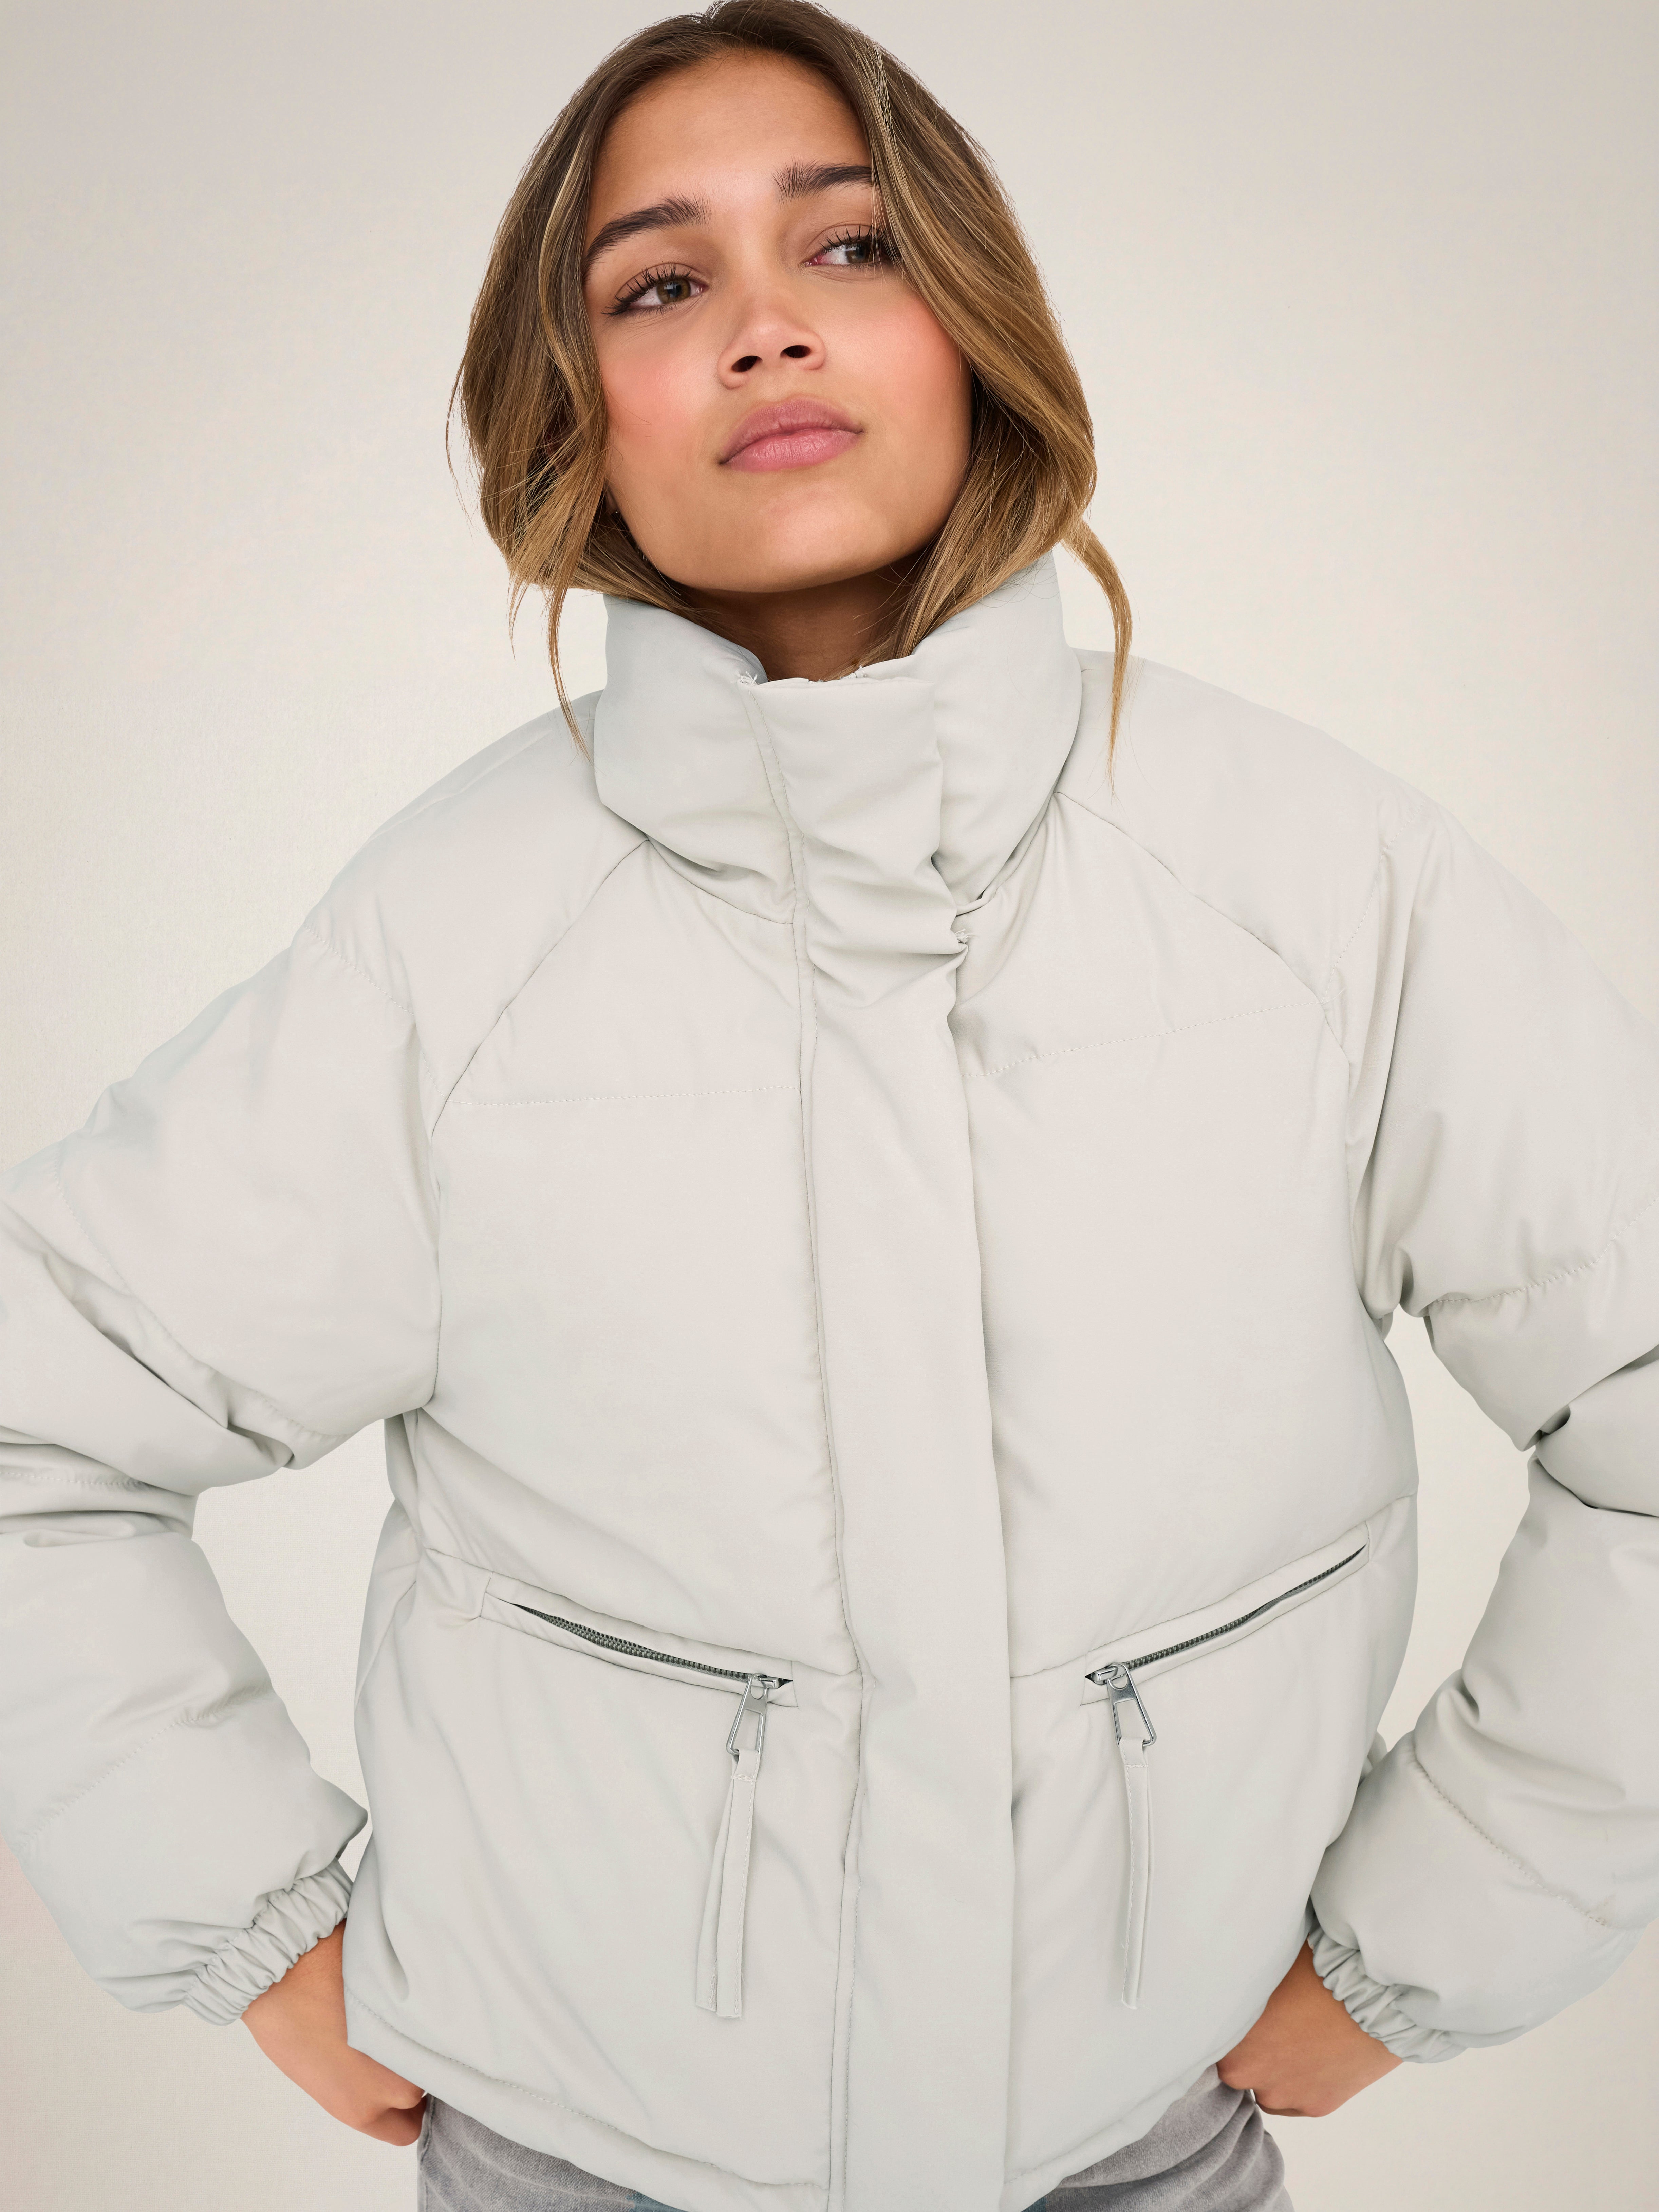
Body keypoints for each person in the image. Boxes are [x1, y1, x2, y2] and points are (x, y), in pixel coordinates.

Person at [2, 4, 1655, 2210]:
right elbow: (40, 1425)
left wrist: (1427, 1943)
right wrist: (245, 1920)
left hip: (1140, 2149)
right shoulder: (454, 944)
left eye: (849, 247)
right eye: (659, 283)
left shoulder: (1311, 883)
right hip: (578, 2163)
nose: (764, 328)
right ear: (573, 407)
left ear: (973, 323)